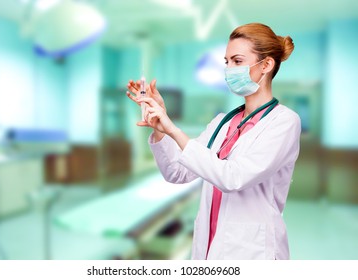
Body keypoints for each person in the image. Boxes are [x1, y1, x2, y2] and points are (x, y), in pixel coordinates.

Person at [126, 23, 300, 260]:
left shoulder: (284, 122)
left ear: (267, 65)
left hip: (253, 251)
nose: (229, 69)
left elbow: (233, 177)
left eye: (237, 61)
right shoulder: (222, 122)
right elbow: (177, 173)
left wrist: (173, 129)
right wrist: (159, 129)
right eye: (227, 62)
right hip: (209, 246)